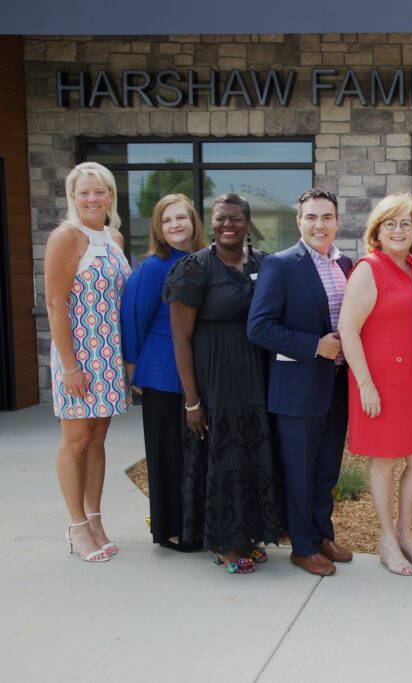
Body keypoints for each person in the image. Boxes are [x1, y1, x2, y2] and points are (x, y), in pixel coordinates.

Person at [165, 193, 283, 574]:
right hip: (216, 379)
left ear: (247, 223)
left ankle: (247, 534)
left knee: (253, 454)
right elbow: (180, 338)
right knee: (224, 458)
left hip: (258, 376)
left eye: (235, 218)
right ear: (211, 223)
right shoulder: (194, 268)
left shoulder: (265, 264)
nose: (227, 225)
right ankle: (224, 544)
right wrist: (192, 401)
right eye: (220, 219)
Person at [248, 188, 355, 577]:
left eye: (326, 217)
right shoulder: (281, 265)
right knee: (299, 470)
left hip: (338, 385)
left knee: (327, 468)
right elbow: (259, 327)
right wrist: (314, 347)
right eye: (311, 217)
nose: (319, 224)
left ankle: (322, 534)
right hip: (296, 388)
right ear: (299, 222)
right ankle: (302, 546)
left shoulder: (345, 265)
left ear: (337, 222)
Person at [339, 193, 412, 577]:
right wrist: (365, 384)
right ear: (376, 231)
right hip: (379, 380)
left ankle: (405, 533)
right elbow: (348, 329)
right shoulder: (369, 267)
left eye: (406, 223)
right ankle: (385, 539)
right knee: (383, 458)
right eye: (390, 223)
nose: (399, 230)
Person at [45, 162, 132, 563]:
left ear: (111, 195)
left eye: (100, 192)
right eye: (84, 193)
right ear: (73, 197)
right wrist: (69, 366)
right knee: (75, 441)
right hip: (79, 353)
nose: (93, 199)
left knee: (97, 440)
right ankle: (77, 526)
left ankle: (95, 519)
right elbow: (54, 302)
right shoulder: (66, 237)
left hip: (108, 354)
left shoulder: (113, 237)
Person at [121, 194, 206, 552]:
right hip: (160, 375)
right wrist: (133, 369)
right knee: (165, 454)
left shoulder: (203, 261)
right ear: (158, 226)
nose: (175, 225)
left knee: (192, 456)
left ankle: (194, 523)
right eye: (167, 220)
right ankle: (169, 530)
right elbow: (133, 316)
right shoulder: (156, 267)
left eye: (181, 218)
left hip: (196, 374)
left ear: (193, 222)